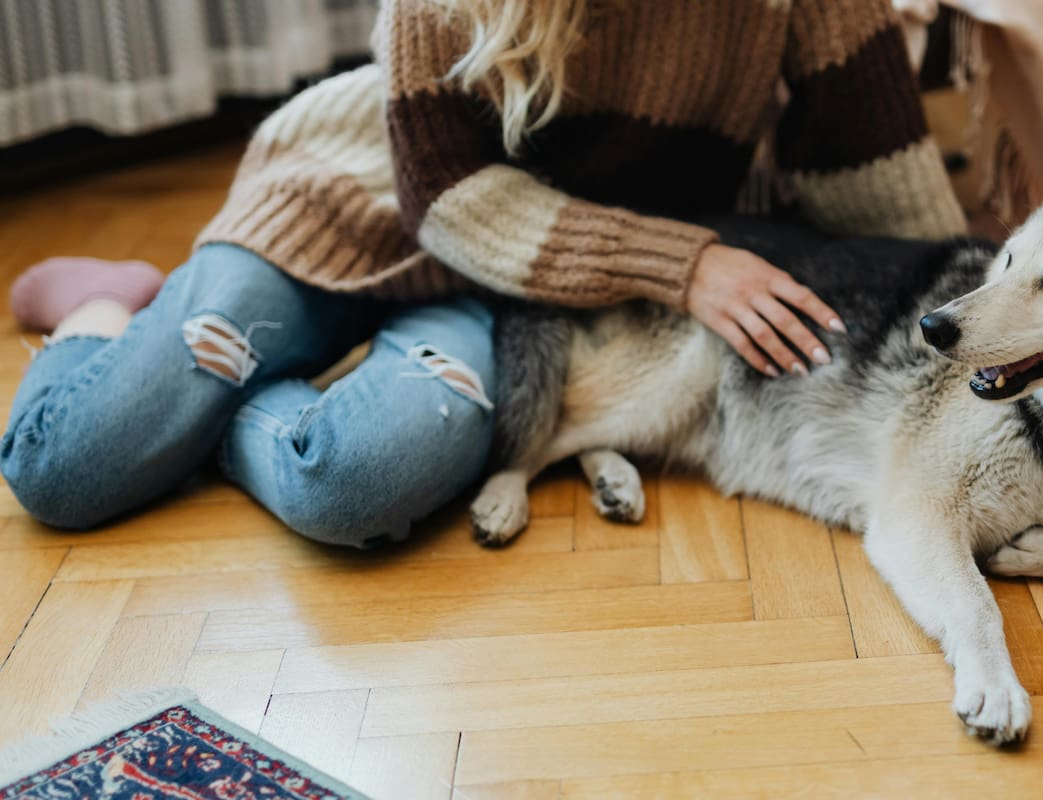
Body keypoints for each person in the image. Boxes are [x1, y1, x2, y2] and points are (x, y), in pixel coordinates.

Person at [1, 0, 965, 547]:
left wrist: (976, 316)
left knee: (350, 486)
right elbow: (448, 201)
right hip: (345, 209)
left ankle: (207, 404)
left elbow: (875, 180)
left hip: (520, 289)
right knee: (64, 471)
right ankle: (102, 304)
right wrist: (686, 262)